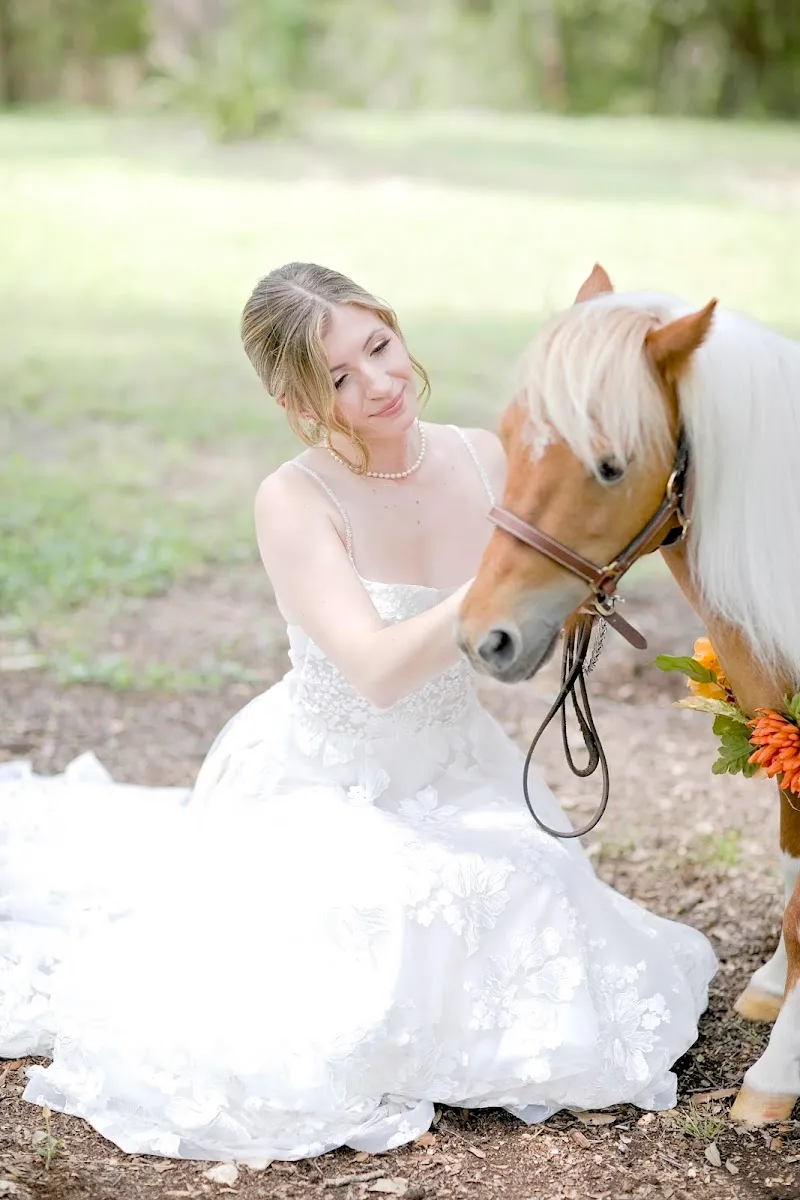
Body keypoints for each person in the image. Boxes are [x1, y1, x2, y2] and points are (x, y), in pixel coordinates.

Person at [0, 263, 717, 1163]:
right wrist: (500, 588)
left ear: (394, 327)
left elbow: (556, 579)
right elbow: (378, 670)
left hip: (462, 767)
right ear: (297, 401)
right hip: (326, 784)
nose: (377, 383)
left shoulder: (486, 458)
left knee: (539, 903)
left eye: (378, 346)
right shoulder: (294, 500)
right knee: (384, 927)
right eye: (338, 377)